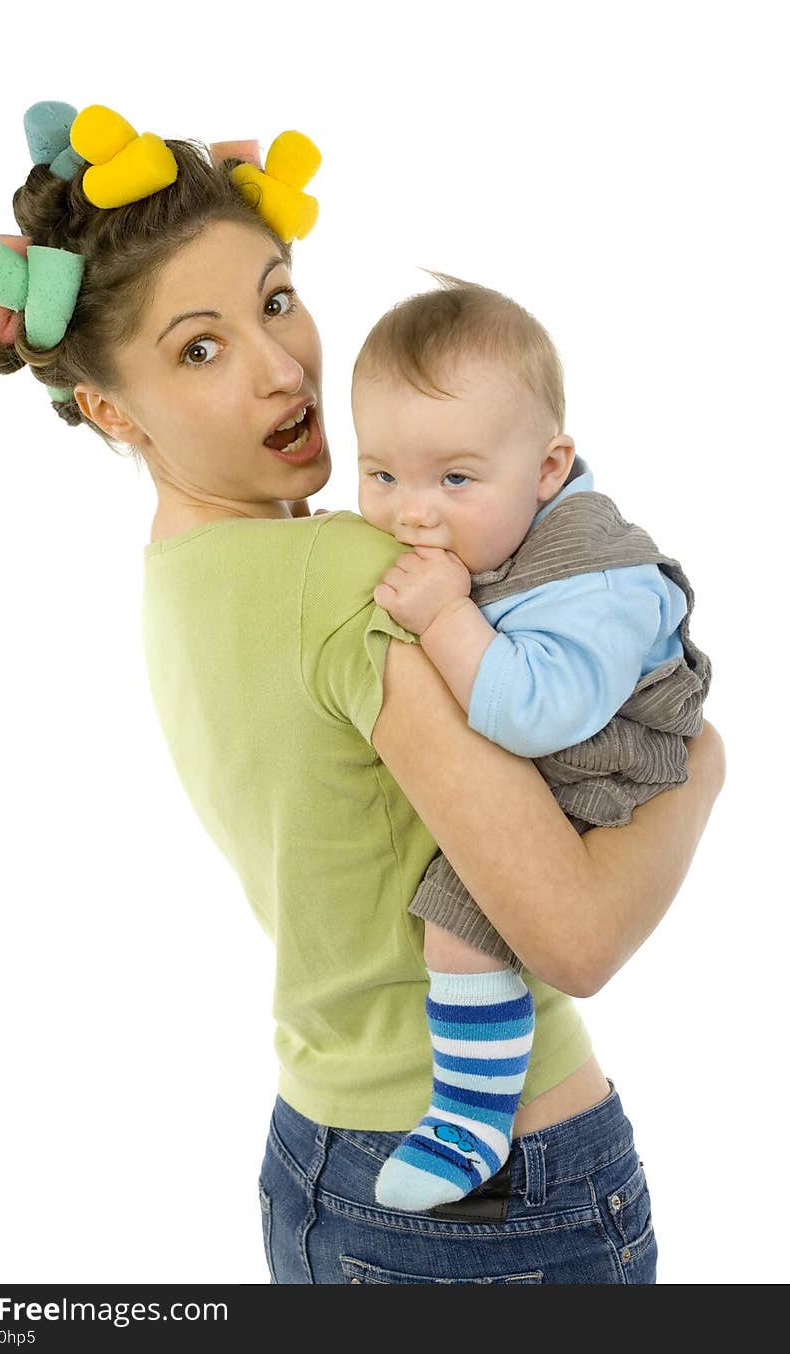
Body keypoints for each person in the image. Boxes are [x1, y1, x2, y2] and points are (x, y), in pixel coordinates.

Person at [0, 101, 726, 1284]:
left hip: (314, 1159)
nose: (282, 370)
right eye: (198, 348)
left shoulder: (180, 584)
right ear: (110, 408)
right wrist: (707, 756)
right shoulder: (351, 576)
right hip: (500, 1196)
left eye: (274, 301)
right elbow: (572, 935)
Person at [349, 277, 711, 1211]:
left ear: (550, 469)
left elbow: (539, 710)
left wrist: (445, 619)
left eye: (454, 478)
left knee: (461, 921)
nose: (411, 514)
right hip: (560, 741)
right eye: (381, 474)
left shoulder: (595, 577)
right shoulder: (489, 528)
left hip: (613, 755)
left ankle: (470, 1120)